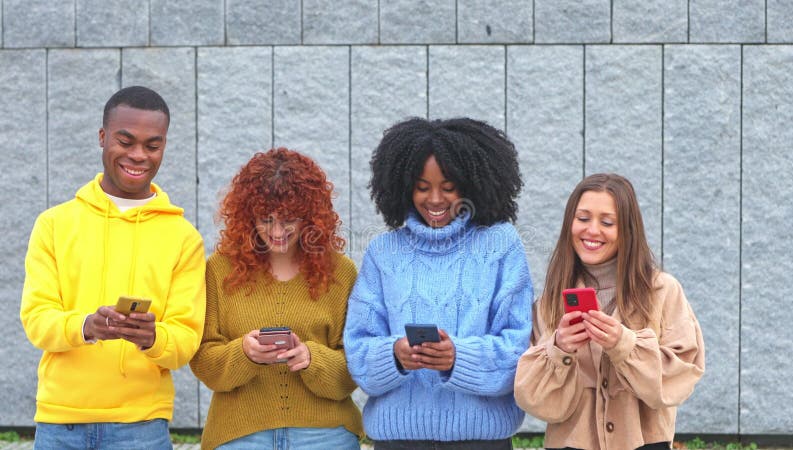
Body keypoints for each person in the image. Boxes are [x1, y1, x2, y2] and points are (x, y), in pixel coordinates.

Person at [20, 86, 206, 449]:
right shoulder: (54, 224)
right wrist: (87, 326)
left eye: (153, 145)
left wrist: (152, 338)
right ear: (103, 137)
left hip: (142, 428)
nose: (138, 155)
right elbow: (37, 320)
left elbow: (186, 341)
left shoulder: (184, 238)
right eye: (126, 141)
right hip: (61, 426)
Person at [344, 117, 534, 450]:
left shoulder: (501, 245)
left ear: (471, 184)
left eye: (448, 187)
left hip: (480, 442)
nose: (435, 199)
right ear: (403, 187)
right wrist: (395, 355)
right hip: (399, 441)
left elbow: (519, 350)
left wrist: (457, 357)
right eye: (421, 187)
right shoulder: (382, 252)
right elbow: (358, 353)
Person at [514, 173, 705, 450]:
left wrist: (624, 344)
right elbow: (535, 399)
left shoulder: (662, 291)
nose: (592, 230)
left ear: (628, 230)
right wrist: (558, 349)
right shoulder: (551, 300)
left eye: (607, 222)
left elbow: (682, 376)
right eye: (582, 219)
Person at [190, 148, 362, 450]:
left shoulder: (341, 273)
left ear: (310, 217)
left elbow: (357, 364)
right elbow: (202, 358)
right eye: (266, 220)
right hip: (239, 435)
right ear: (247, 216)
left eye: (289, 220)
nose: (278, 232)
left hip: (325, 436)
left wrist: (312, 359)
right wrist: (243, 352)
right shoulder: (218, 270)